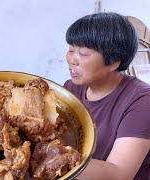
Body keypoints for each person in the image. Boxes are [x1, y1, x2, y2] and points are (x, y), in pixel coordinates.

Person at [64, 12, 150, 180]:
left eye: (83, 54)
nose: (72, 60)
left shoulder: (142, 101)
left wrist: (54, 157)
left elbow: (118, 173)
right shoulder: (71, 88)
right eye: (70, 50)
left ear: (114, 61)